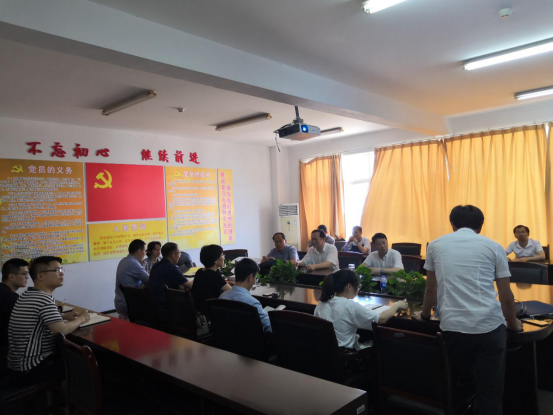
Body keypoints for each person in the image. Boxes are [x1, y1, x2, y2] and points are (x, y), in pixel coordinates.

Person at [414, 205, 522, 415]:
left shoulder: (435, 245)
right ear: (480, 227)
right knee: (490, 394)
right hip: (489, 329)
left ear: (452, 224)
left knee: (457, 387)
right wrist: (513, 325)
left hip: (453, 330)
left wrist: (425, 315)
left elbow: (431, 289)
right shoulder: (494, 247)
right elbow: (506, 297)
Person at [8, 256, 90, 386]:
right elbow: (61, 330)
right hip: (32, 367)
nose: (61, 274)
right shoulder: (43, 299)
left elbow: (39, 317)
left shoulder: (28, 294)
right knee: (86, 364)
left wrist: (63, 316)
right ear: (40, 276)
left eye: (61, 270)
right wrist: (82, 318)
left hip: (17, 365)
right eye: (56, 270)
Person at [315, 270, 407, 350]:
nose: (358, 289)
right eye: (357, 286)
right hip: (344, 355)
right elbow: (382, 319)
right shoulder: (349, 306)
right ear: (349, 286)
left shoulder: (321, 303)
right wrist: (397, 305)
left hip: (324, 352)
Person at [219, 258, 271, 333]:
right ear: (250, 277)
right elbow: (269, 327)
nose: (254, 281)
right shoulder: (252, 303)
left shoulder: (222, 297)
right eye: (255, 278)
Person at [147, 242, 193, 327]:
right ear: (173, 255)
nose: (179, 256)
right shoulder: (171, 267)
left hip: (154, 305)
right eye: (179, 253)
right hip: (167, 306)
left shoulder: (156, 266)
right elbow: (190, 285)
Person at [0, 258, 29, 367]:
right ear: (11, 276)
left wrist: (63, 315)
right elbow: (31, 318)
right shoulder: (9, 297)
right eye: (24, 274)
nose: (27, 277)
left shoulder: (3, 290)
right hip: (6, 351)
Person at [114, 239, 150, 319]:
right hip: (128, 302)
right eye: (145, 251)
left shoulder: (124, 260)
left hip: (121, 301)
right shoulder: (132, 263)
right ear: (139, 251)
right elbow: (149, 280)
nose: (145, 254)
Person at [192, 245, 232, 315]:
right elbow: (232, 291)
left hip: (200, 310)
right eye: (222, 255)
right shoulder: (214, 275)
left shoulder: (200, 271)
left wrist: (226, 283)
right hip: (212, 312)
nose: (223, 257)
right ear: (215, 260)